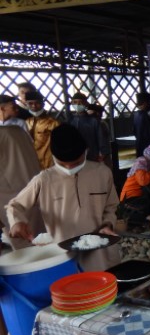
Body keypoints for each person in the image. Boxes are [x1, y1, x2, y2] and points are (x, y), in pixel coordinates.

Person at [6, 124, 120, 271]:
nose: (69, 169)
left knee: (105, 289)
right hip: (62, 254)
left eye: (76, 163)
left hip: (99, 252)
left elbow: (111, 206)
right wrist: (16, 222)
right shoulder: (44, 180)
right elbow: (15, 206)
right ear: (53, 157)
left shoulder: (103, 173)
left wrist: (107, 224)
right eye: (62, 164)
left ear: (86, 152)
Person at [0, 126, 44, 250]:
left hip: (11, 198)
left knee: (26, 242)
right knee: (44, 237)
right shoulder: (16, 130)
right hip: (34, 188)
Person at [67, 92, 108, 162]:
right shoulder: (70, 121)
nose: (77, 104)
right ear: (72, 103)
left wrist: (103, 153)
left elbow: (101, 138)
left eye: (80, 102)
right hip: (74, 156)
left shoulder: (93, 121)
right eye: (75, 102)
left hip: (91, 155)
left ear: (86, 103)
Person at [25, 91, 60, 169]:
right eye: (30, 103)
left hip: (49, 163)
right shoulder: (27, 122)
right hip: (31, 162)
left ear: (43, 104)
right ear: (26, 105)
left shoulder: (53, 123)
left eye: (37, 103)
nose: (34, 106)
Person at [133, 92, 150, 157]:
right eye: (149, 102)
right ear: (145, 103)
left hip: (139, 145)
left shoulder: (136, 115)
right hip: (147, 148)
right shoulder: (145, 116)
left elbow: (134, 131)